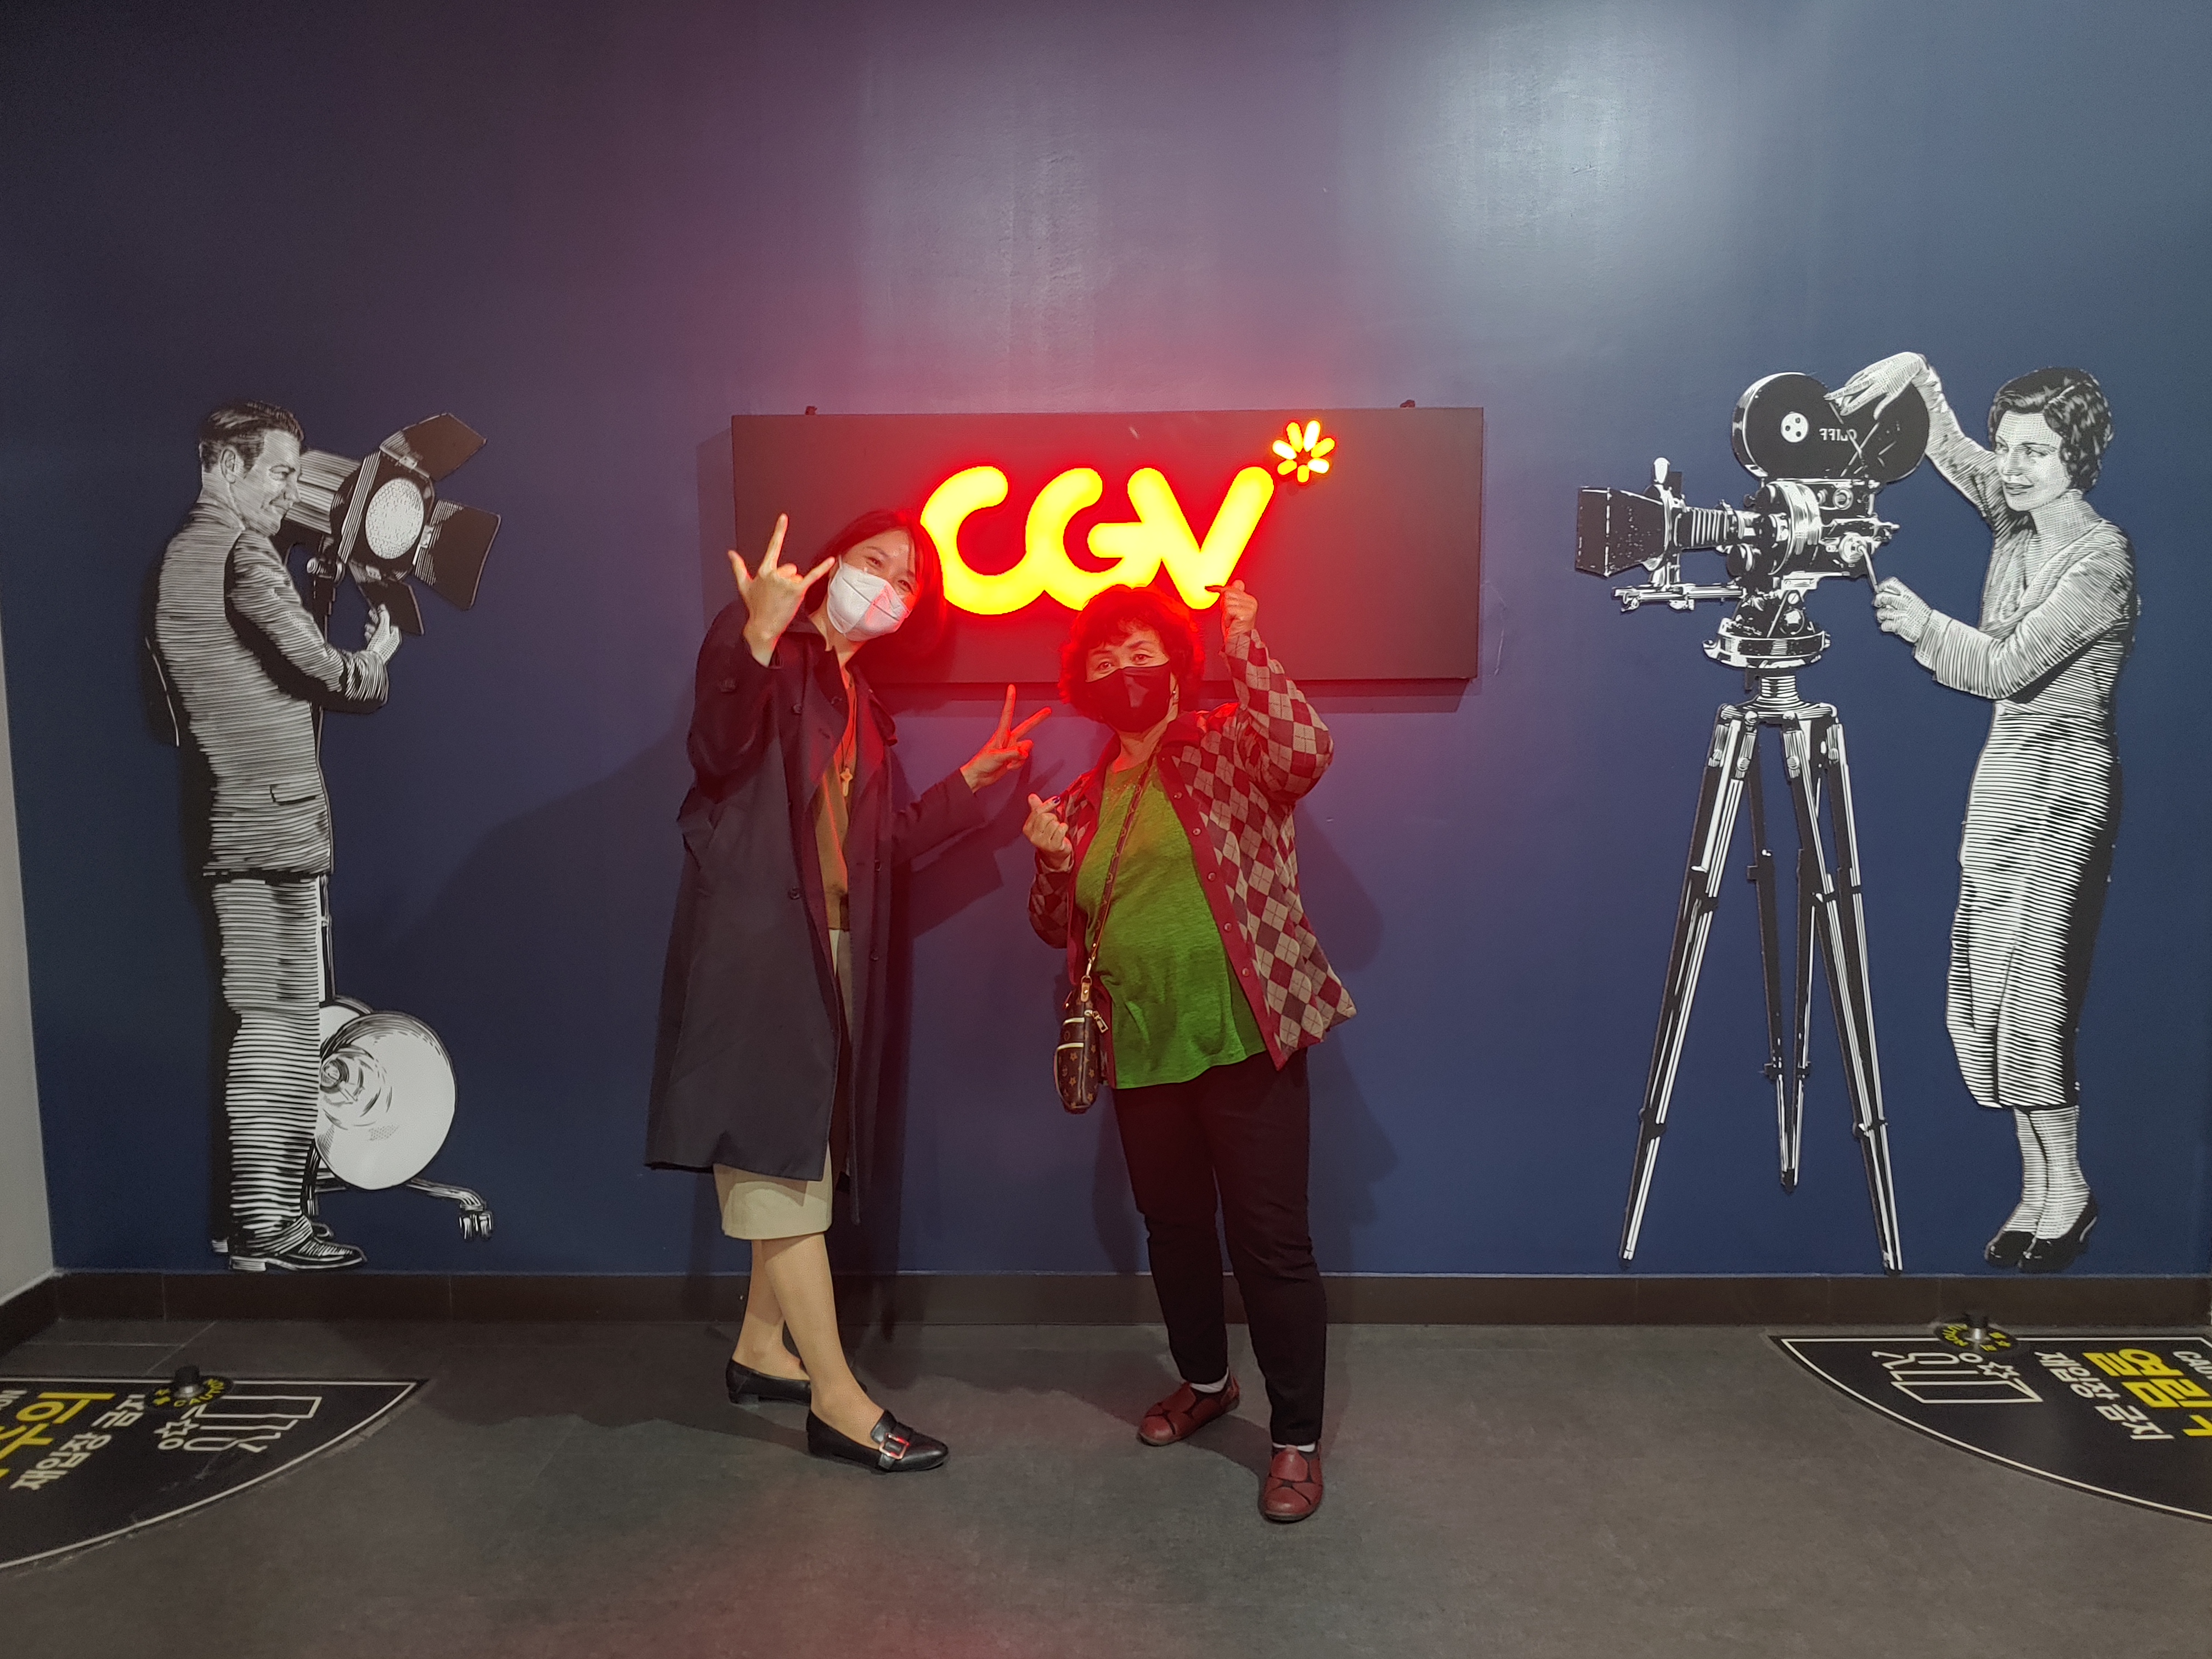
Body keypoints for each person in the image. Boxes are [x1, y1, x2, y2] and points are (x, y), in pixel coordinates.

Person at [647, 509, 1046, 1472]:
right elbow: (715, 752)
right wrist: (755, 632)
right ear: (830, 566)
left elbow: (882, 846)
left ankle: (759, 1347)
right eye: (876, 562)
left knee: (796, 1155)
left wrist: (970, 783)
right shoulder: (771, 654)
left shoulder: (862, 704)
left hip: (832, 949)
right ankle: (836, 1400)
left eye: (908, 581)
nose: (890, 587)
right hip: (760, 951)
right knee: (778, 1167)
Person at [1022, 579, 1355, 1521]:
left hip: (1246, 1035)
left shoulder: (1227, 743)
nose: (1123, 670)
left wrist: (1246, 642)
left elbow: (1308, 751)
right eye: (1104, 659)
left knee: (1270, 1242)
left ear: (1175, 664)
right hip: (1141, 1048)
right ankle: (1208, 1383)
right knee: (1173, 1230)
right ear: (1084, 685)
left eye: (1141, 652)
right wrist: (1051, 861)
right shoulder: (1084, 798)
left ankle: (1296, 1440)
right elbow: (1055, 925)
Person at [1834, 356, 2134, 1273]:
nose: (2011, 466)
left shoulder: (2101, 560)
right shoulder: (2016, 517)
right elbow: (1953, 451)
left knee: (2034, 993)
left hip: (2063, 788)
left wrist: (1920, 624)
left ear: (2076, 457)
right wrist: (1919, 377)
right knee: (1985, 996)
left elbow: (2007, 668)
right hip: (2005, 782)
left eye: (2034, 450)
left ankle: (2067, 1188)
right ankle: (2038, 1187)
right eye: (2009, 447)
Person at [150, 402, 402, 1273]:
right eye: (282, 473)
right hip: (271, 822)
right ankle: (268, 1223)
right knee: (281, 1029)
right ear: (227, 465)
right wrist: (377, 657)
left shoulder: (182, 556)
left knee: (266, 1021)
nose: (292, 493)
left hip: (232, 813)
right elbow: (324, 670)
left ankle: (250, 1219)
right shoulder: (241, 554)